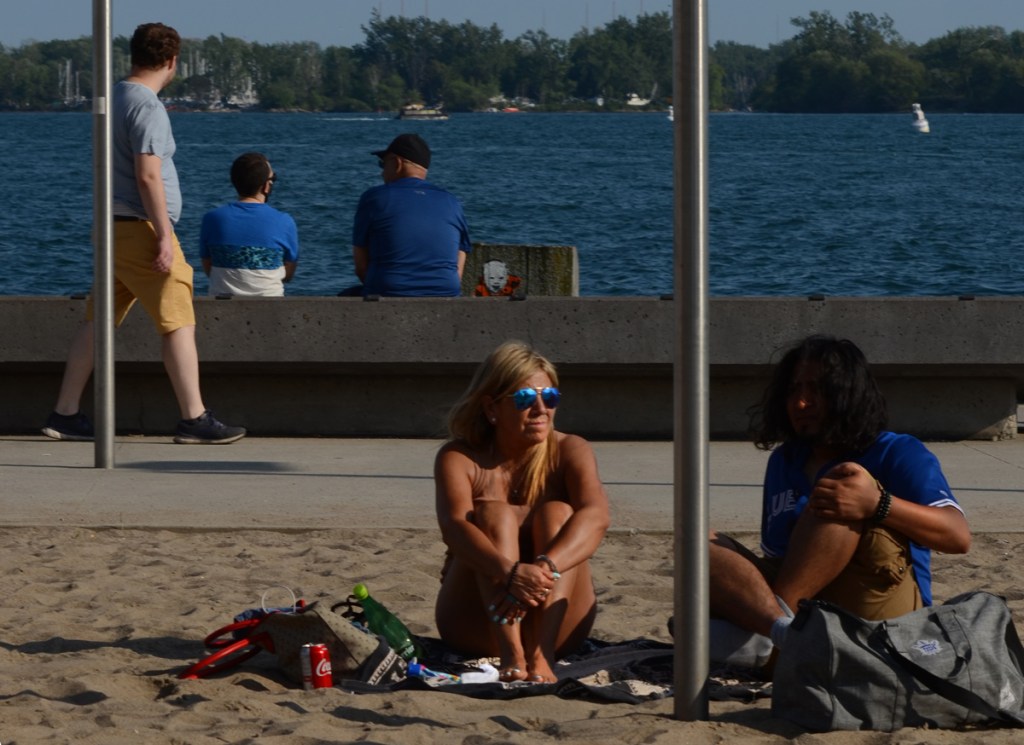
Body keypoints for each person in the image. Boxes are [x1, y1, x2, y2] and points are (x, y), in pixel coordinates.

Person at [705, 334, 970, 668]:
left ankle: (772, 646)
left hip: (879, 604)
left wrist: (879, 504)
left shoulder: (897, 451)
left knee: (837, 493)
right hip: (806, 604)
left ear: (848, 393)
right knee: (697, 540)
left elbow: (958, 536)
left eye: (816, 390)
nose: (801, 403)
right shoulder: (785, 462)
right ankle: (781, 634)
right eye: (793, 391)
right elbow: (779, 562)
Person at [41, 22, 245, 445]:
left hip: (110, 226)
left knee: (99, 322)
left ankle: (65, 412)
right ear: (172, 62)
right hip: (141, 229)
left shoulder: (112, 97)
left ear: (133, 55)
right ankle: (194, 418)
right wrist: (165, 236)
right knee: (179, 319)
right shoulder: (148, 106)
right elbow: (148, 176)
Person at [434, 341, 611, 683]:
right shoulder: (460, 457)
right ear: (491, 408)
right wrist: (510, 572)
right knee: (494, 515)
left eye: (551, 398)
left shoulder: (571, 449)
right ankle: (511, 653)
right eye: (525, 399)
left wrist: (544, 568)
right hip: (477, 623)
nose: (541, 408)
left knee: (558, 513)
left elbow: (597, 515)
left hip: (559, 628)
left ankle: (540, 654)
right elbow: (453, 526)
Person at [347, 133, 472, 297]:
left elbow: (361, 267)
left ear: (397, 163)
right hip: (445, 294)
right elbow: (459, 261)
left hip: (389, 293)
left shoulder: (374, 198)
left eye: (382, 165)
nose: (382, 173)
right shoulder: (452, 202)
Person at [199, 152, 299, 297]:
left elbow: (208, 268)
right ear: (266, 186)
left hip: (222, 309)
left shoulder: (212, 219)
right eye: (273, 179)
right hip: (271, 308)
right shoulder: (285, 221)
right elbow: (288, 274)